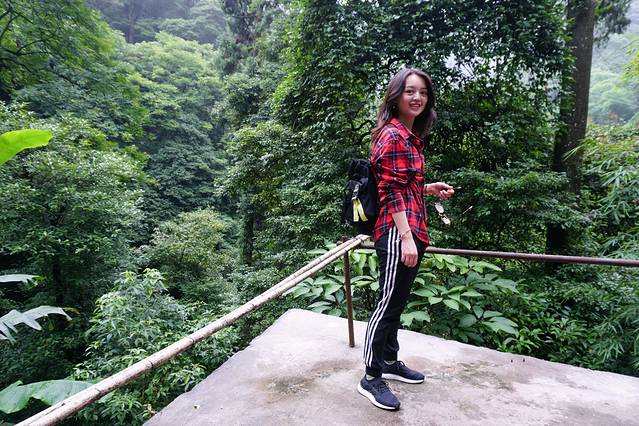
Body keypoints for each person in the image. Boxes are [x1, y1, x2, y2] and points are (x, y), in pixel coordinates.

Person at [357, 68, 455, 411]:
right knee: (386, 304)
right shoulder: (392, 136)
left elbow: (406, 184)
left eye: (423, 92)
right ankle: (371, 377)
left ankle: (388, 361)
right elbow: (390, 190)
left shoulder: (409, 137)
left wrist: (428, 188)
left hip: (411, 229)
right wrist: (406, 237)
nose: (417, 98)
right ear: (396, 96)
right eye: (410, 91)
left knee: (396, 305)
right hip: (398, 232)